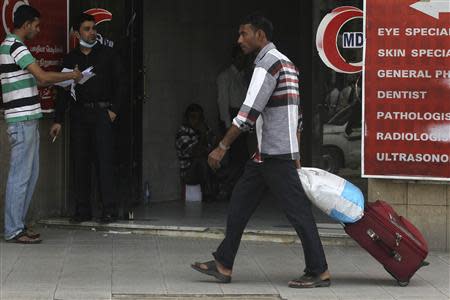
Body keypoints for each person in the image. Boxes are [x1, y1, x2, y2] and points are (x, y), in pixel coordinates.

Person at [191, 14, 330, 288]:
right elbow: (297, 115)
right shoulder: (288, 64)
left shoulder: (266, 64)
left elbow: (248, 114)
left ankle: (319, 270)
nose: (239, 40)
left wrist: (221, 146)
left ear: (260, 36)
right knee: (240, 205)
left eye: (244, 34)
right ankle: (223, 263)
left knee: (298, 213)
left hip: (274, 155)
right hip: (269, 155)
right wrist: (297, 153)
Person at [1, 5, 82, 243]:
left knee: (30, 175)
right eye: (36, 25)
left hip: (27, 119)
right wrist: (71, 76)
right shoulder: (15, 46)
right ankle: (14, 229)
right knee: (20, 177)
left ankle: (19, 224)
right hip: (22, 120)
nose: (38, 30)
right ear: (26, 24)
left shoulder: (13, 46)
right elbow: (43, 77)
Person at [49, 13, 124, 223]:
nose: (92, 32)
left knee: (104, 161)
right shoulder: (71, 59)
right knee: (80, 161)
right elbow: (64, 91)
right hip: (79, 114)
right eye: (87, 29)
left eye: (93, 28)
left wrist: (114, 111)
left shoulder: (108, 55)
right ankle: (83, 209)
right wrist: (58, 120)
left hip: (102, 113)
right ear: (76, 32)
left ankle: (109, 209)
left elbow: (121, 84)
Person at [216, 46, 254, 201]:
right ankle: (226, 187)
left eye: (244, 58)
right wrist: (227, 125)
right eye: (239, 58)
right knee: (236, 157)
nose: (242, 61)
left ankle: (234, 188)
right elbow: (222, 102)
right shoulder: (225, 76)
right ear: (234, 58)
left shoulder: (244, 77)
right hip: (232, 118)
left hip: (243, 118)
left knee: (242, 157)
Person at [175, 103, 216, 201]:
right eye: (193, 117)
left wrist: (207, 135)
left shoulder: (201, 130)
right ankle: (208, 193)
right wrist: (202, 136)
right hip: (188, 173)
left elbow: (214, 146)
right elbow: (195, 153)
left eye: (199, 118)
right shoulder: (182, 133)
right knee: (201, 160)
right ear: (186, 118)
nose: (196, 121)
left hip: (204, 168)